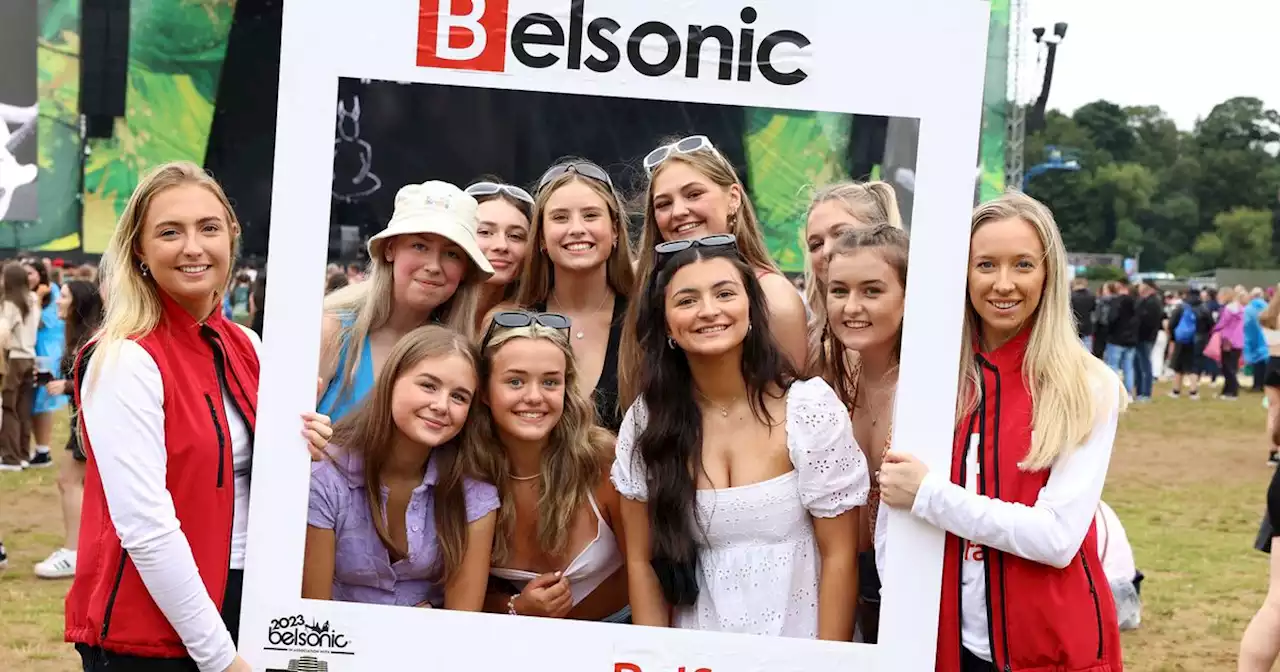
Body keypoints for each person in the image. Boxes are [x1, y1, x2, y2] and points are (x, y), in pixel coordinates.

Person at [66, 161, 330, 672]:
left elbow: (249, 481)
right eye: (170, 232)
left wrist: (301, 444)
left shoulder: (246, 345)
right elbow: (146, 526)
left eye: (209, 228)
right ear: (139, 250)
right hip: (152, 631)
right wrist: (219, 657)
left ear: (231, 235)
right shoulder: (125, 358)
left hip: (244, 606)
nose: (193, 247)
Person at [878, 193, 1126, 671]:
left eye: (1024, 265)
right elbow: (895, 513)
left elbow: (1056, 539)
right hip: (945, 641)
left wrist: (930, 495)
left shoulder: (1087, 384)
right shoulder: (932, 379)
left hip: (1053, 645)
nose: (1004, 284)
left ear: (1049, 274)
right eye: (986, 264)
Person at [612, 238, 868, 639]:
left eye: (725, 293)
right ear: (666, 324)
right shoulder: (647, 421)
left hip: (800, 645)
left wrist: (827, 663)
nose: (709, 310)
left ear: (751, 308)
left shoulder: (808, 409)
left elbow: (839, 558)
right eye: (686, 300)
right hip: (698, 652)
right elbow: (641, 563)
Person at [304, 325, 498, 609]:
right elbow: (313, 614)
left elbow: (461, 625)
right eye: (428, 386)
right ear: (391, 381)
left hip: (432, 650)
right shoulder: (326, 475)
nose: (442, 405)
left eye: (459, 396)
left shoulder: (474, 495)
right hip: (338, 647)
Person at [618, 136, 808, 406]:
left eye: (694, 194)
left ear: (733, 198)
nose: (679, 211)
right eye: (664, 204)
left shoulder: (775, 298)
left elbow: (791, 412)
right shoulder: (638, 281)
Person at [468, 313, 629, 622]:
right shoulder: (469, 469)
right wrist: (517, 606)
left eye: (550, 382)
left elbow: (644, 573)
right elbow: (458, 597)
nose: (534, 397)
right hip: (515, 640)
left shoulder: (603, 461)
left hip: (618, 635)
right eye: (515, 381)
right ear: (485, 392)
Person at [318, 181, 493, 421]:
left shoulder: (463, 352)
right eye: (419, 246)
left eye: (452, 254)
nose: (433, 266)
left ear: (465, 270)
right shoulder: (331, 332)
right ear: (390, 250)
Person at [814, 224, 909, 642]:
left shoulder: (933, 394)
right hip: (858, 599)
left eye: (872, 291)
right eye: (839, 291)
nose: (852, 307)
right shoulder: (832, 386)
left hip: (920, 601)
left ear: (909, 296)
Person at [503, 159, 636, 433]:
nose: (576, 228)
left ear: (614, 231)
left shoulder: (647, 318)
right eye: (560, 217)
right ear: (540, 237)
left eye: (590, 215)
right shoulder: (509, 323)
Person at [32, 279, 104, 579]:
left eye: (64, 296)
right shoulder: (77, 335)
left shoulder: (94, 340)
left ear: (78, 303)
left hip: (92, 423)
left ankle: (75, 551)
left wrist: (69, 386)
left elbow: (102, 383)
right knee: (75, 484)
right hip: (83, 422)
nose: (57, 301)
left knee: (68, 482)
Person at [803, 181, 905, 376]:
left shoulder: (926, 350)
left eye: (843, 235)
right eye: (816, 244)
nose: (827, 250)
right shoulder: (808, 344)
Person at [467, 179, 534, 327]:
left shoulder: (538, 322)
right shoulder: (428, 310)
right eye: (485, 232)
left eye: (515, 236)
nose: (501, 246)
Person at [0, 261, 40, 471]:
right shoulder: (33, 299)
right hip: (30, 356)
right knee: (23, 408)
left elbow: (3, 332)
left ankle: (10, 457)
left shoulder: (10, 303)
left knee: (9, 407)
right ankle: (24, 453)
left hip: (14, 358)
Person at [1071, 277, 1096, 351]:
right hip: (1087, 328)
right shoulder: (1091, 296)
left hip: (1073, 327)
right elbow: (1093, 309)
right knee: (1087, 353)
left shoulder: (1070, 296)